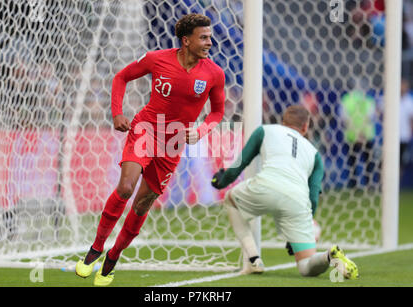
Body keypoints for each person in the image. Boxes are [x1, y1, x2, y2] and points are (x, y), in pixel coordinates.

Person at [75, 13, 225, 286]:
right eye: (203, 37)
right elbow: (122, 77)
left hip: (173, 144)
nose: (209, 42)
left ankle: (113, 257)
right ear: (186, 40)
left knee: (143, 203)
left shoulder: (214, 73)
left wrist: (201, 130)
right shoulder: (157, 58)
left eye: (210, 37)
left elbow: (217, 113)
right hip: (146, 130)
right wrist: (117, 113)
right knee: (125, 188)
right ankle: (95, 249)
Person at [211, 105, 359, 279]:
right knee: (305, 267)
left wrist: (224, 180)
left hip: (266, 186)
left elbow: (241, 162)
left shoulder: (265, 131)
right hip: (298, 201)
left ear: (283, 121)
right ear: (306, 126)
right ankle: (329, 255)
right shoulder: (315, 154)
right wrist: (306, 225)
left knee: (231, 200)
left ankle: (253, 259)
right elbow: (313, 197)